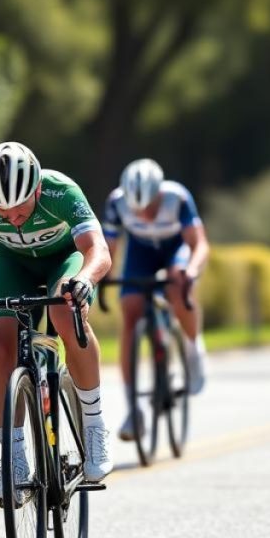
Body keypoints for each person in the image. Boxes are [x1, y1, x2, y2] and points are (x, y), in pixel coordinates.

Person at [0, 142, 113, 505]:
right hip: (13, 264)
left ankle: (95, 424)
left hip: (65, 260)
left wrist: (84, 278)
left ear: (37, 188)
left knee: (63, 312)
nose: (13, 217)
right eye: (2, 212)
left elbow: (97, 249)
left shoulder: (61, 191)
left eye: (20, 207)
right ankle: (14, 458)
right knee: (1, 343)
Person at [101, 159, 210, 441]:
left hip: (175, 247)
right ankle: (133, 409)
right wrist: (104, 278)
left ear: (159, 194)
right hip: (141, 252)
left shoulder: (177, 197)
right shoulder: (116, 202)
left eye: (150, 207)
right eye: (139, 210)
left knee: (177, 283)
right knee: (130, 312)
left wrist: (192, 270)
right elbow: (109, 248)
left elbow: (199, 244)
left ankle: (192, 347)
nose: (146, 214)